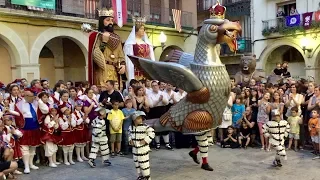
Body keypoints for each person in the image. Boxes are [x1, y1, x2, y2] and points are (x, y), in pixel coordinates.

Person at [88, 8, 126, 88]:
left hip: (115, 70)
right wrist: (104, 42)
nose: (110, 22)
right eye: (108, 20)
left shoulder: (117, 38)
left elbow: (121, 55)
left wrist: (123, 65)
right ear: (102, 21)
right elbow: (96, 55)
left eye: (112, 20)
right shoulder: (96, 36)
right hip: (102, 70)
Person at [14, 88, 49, 174]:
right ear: (25, 96)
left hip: (35, 128)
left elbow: (46, 110)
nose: (33, 98)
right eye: (31, 96)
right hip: (24, 128)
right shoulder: (19, 104)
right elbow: (15, 117)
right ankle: (26, 166)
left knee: (33, 147)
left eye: (34, 96)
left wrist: (39, 101)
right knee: (25, 148)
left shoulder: (36, 103)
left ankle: (30, 164)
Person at [124, 16, 155, 81]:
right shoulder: (130, 44)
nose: (143, 30)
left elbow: (151, 58)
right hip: (136, 70)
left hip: (146, 70)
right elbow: (128, 60)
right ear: (136, 30)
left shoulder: (147, 43)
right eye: (141, 29)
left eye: (143, 29)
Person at [128, 111, 155, 180]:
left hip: (143, 149)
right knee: (137, 163)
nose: (140, 120)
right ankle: (140, 176)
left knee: (144, 163)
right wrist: (130, 139)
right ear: (134, 119)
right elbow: (129, 134)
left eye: (141, 118)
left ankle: (147, 176)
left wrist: (146, 140)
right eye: (138, 118)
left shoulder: (145, 127)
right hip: (135, 149)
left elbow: (152, 133)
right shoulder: (131, 127)